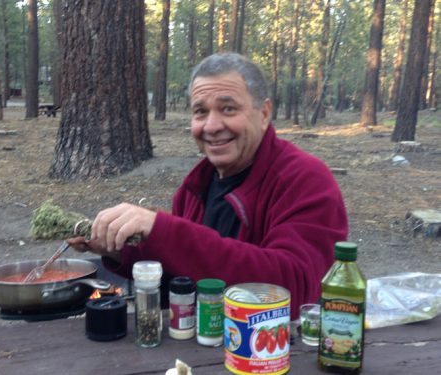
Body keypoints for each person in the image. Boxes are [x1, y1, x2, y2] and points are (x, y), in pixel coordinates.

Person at [68, 53, 347, 319]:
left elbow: (293, 288)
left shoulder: (304, 179)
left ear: (263, 113)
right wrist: (117, 248)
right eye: (200, 112)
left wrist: (163, 230)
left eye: (228, 108)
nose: (211, 126)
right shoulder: (195, 187)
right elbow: (183, 266)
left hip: (265, 357)